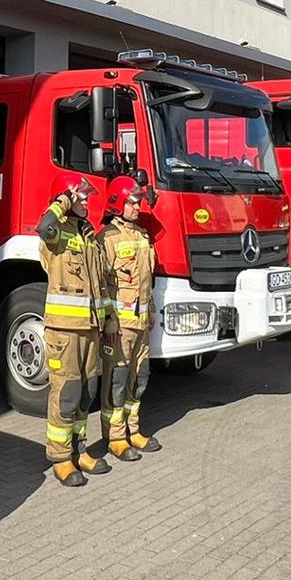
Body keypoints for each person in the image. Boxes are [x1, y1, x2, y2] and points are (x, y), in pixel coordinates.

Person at [37, 173, 112, 487]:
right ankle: (61, 458)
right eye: (80, 196)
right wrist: (62, 203)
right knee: (66, 395)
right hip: (64, 332)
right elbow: (44, 227)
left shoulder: (88, 235)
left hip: (90, 330)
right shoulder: (56, 234)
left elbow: (101, 284)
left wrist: (108, 322)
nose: (86, 201)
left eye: (86, 197)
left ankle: (80, 449)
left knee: (85, 394)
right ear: (66, 199)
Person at [99, 175, 161, 461]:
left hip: (142, 323)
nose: (138, 207)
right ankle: (114, 437)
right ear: (117, 203)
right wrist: (109, 321)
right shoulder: (107, 239)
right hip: (120, 326)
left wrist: (151, 313)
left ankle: (133, 430)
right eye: (133, 202)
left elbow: (147, 281)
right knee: (117, 381)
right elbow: (101, 286)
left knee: (140, 378)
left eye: (138, 201)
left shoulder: (141, 235)